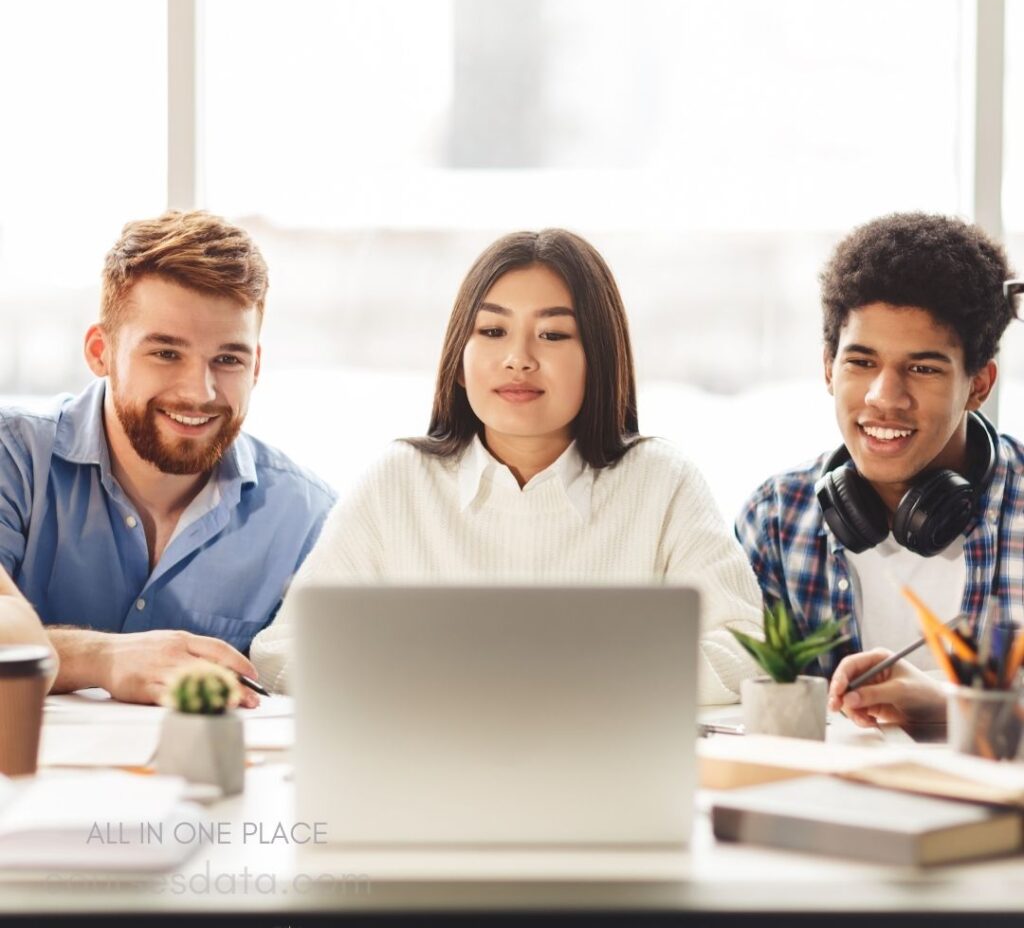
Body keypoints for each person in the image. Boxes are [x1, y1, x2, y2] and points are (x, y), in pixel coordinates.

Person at [251, 228, 763, 702]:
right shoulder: (399, 480)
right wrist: (424, 681)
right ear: (460, 356)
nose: (518, 358)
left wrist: (581, 677)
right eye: (493, 331)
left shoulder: (660, 480)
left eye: (553, 335)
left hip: (596, 771)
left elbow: (747, 650)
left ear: (599, 357)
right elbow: (281, 652)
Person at [0, 211, 335, 704]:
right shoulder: (15, 459)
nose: (198, 393)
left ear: (256, 365)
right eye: (166, 353)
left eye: (228, 359)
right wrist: (102, 657)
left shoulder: (308, 518)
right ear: (101, 351)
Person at [735, 212, 1022, 727]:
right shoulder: (776, 519)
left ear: (979, 385)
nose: (883, 397)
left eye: (922, 368)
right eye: (861, 362)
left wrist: (944, 709)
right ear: (828, 367)